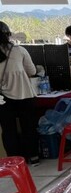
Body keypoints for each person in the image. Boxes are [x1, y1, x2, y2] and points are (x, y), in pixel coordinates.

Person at [0, 21, 40, 165]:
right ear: (8, 35)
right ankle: (33, 156)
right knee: (28, 127)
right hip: (25, 94)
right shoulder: (19, 50)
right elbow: (32, 71)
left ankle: (14, 160)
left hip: (2, 99)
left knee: (8, 130)